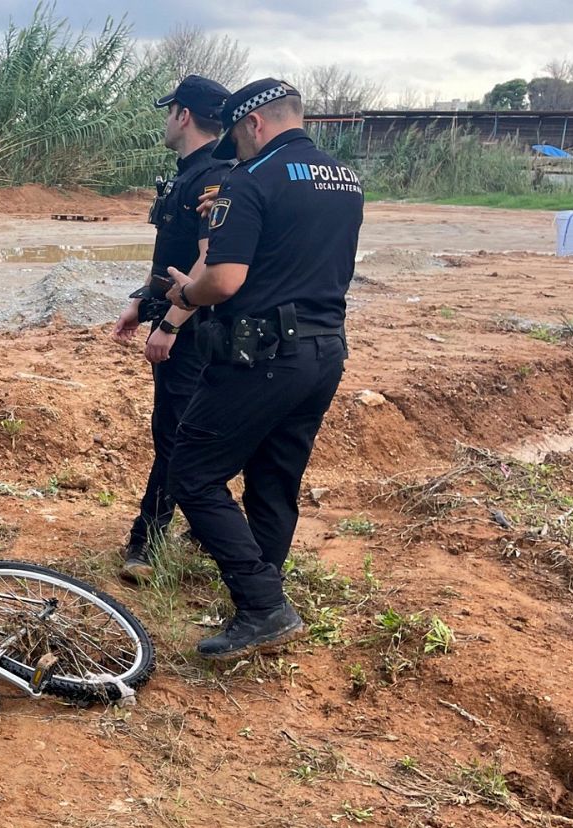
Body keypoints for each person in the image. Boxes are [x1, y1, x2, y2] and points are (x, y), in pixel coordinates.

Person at [162, 79, 364, 660]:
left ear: (253, 125)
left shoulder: (248, 182)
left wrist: (189, 290)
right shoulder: (344, 178)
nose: (234, 149)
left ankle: (262, 605)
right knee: (275, 478)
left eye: (236, 136)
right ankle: (262, 594)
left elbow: (224, 280)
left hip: (261, 354)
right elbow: (295, 246)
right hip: (324, 351)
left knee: (193, 472)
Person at [111, 75, 231, 583]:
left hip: (196, 327)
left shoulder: (214, 179)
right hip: (179, 314)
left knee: (176, 435)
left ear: (183, 115)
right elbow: (173, 256)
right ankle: (201, 530)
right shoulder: (189, 175)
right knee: (188, 429)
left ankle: (148, 539)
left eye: (169, 112)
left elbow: (209, 261)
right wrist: (143, 299)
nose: (165, 121)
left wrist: (172, 324)